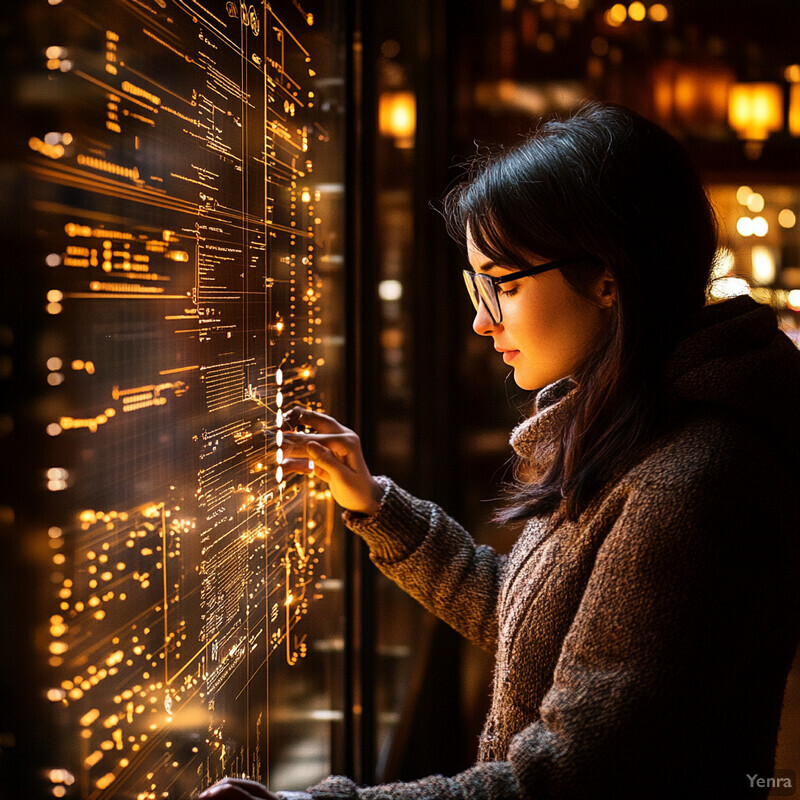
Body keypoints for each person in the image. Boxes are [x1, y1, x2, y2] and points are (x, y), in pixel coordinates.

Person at [199, 102, 800, 800]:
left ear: (608, 277)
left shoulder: (691, 482)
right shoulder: (642, 433)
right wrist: (375, 505)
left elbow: (565, 780)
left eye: (503, 285)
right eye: (475, 285)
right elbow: (539, 631)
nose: (483, 321)